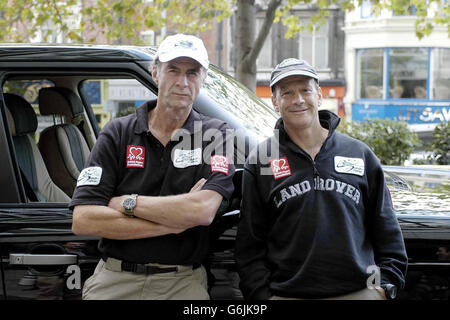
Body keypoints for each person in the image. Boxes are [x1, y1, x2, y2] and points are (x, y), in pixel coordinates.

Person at [70, 34, 235, 300]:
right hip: (115, 281)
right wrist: (175, 224)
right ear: (155, 73)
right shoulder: (117, 132)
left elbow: (203, 211)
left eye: (192, 73)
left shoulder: (215, 134)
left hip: (182, 283)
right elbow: (84, 220)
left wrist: (128, 203)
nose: (182, 82)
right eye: (173, 70)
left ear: (202, 80)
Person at [235, 58, 407, 300]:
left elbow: (387, 231)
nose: (298, 99)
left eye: (305, 90)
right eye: (287, 93)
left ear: (319, 95)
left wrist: (384, 289)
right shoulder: (261, 160)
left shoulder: (359, 154)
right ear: (274, 101)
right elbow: (249, 245)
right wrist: (263, 296)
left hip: (359, 293)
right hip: (288, 295)